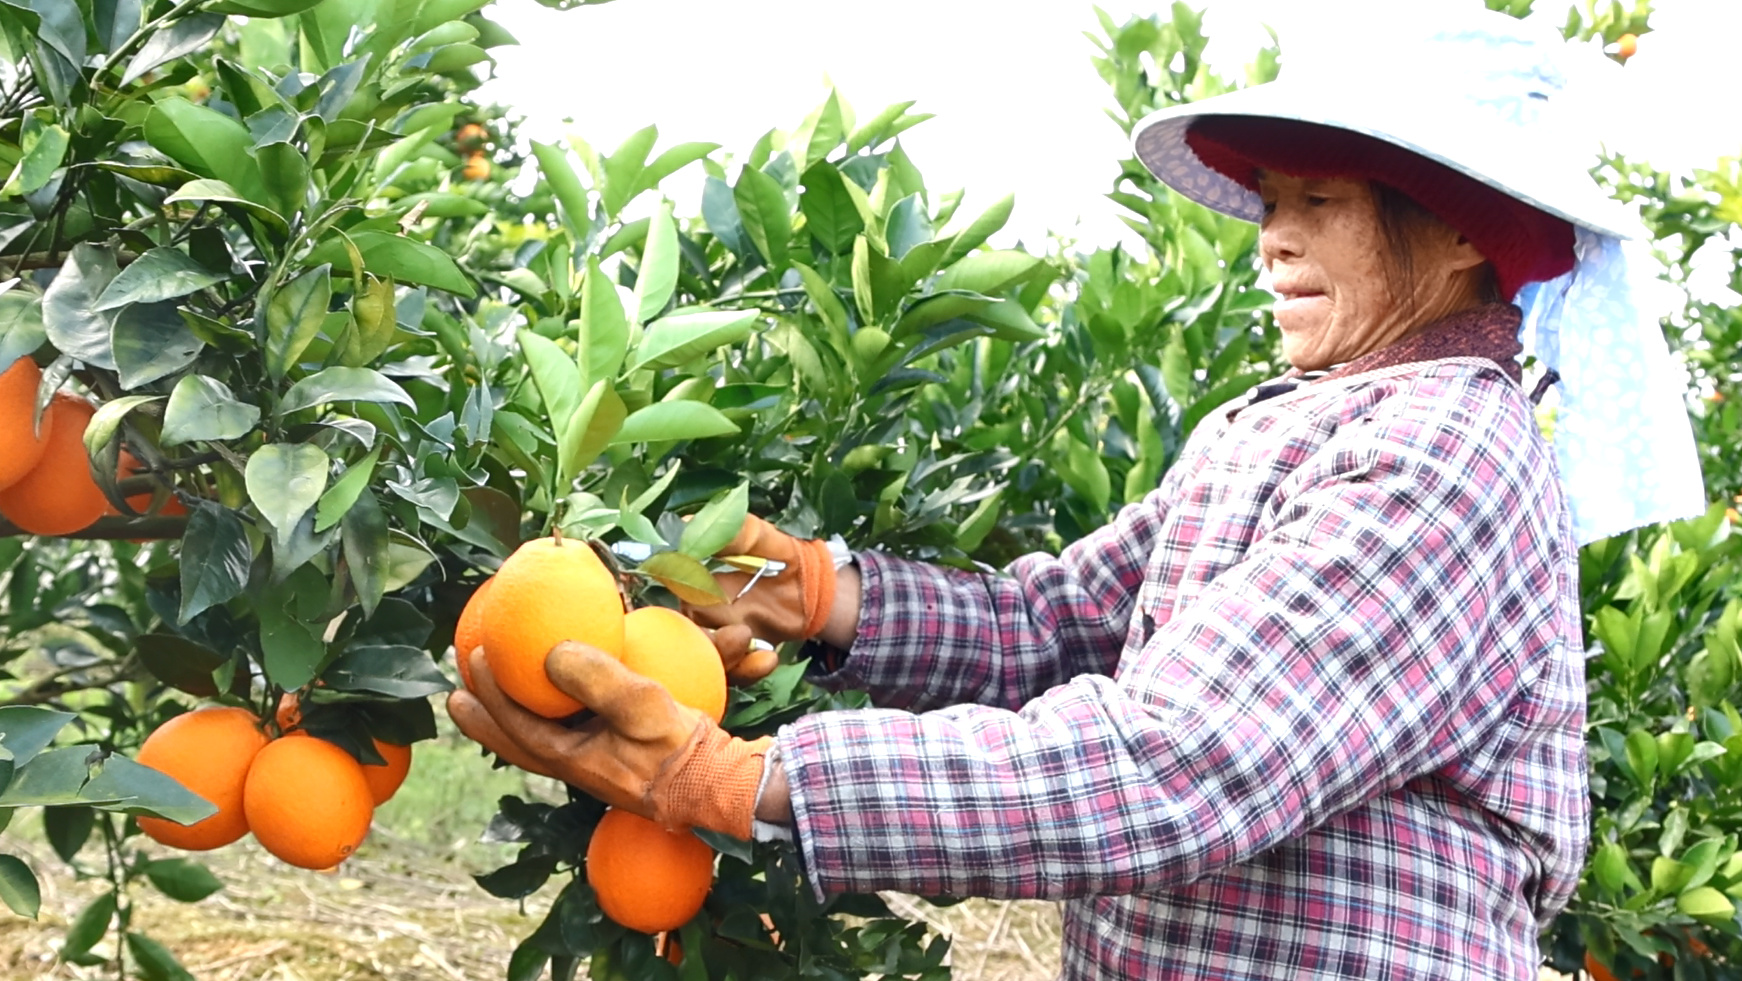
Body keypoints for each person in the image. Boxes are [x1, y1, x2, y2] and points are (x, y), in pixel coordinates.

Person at [446, 9, 1706, 979]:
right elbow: (1057, 629)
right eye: (1268, 203)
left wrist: (744, 780)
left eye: (1316, 203)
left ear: (1461, 233)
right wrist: (816, 594)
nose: (1268, 240)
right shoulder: (1279, 422)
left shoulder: (1443, 454)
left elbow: (1174, 764)